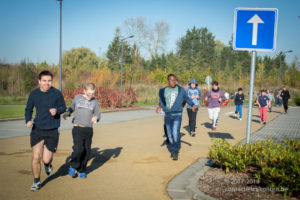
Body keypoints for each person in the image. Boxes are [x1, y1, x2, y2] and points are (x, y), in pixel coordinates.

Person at [25, 70, 66, 191]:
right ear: (39, 81)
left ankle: (48, 165)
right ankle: (36, 181)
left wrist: (57, 111)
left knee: (46, 159)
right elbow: (28, 109)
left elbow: (64, 107)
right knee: (36, 157)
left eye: (49, 81)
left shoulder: (57, 93)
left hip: (52, 129)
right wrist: (28, 120)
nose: (47, 83)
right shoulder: (34, 94)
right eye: (44, 81)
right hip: (37, 128)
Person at [63, 83, 101, 178]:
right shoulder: (77, 97)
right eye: (89, 93)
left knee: (87, 152)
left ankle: (82, 169)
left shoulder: (95, 101)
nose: (90, 96)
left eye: (93, 94)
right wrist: (68, 113)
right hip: (77, 128)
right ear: (84, 91)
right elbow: (72, 106)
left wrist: (96, 117)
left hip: (88, 129)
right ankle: (73, 165)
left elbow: (98, 113)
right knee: (79, 149)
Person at [156, 74, 196, 160]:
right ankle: (173, 146)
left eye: (174, 80)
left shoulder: (181, 89)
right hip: (167, 115)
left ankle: (175, 151)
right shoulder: (163, 91)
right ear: (168, 81)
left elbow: (187, 98)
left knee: (175, 132)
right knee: (169, 135)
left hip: (177, 114)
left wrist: (193, 104)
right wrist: (159, 106)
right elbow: (161, 101)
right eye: (171, 80)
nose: (173, 82)